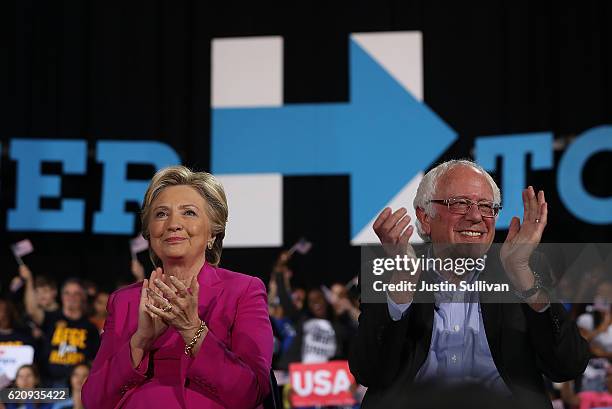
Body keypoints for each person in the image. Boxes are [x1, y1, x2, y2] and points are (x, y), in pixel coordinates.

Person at [349, 159, 589, 409]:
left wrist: (522, 277)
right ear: (425, 216)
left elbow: (567, 365)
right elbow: (370, 371)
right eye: (460, 204)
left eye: (486, 206)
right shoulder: (389, 270)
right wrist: (403, 285)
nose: (476, 216)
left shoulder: (522, 267)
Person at [81, 165, 273, 409]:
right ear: (149, 231)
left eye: (189, 213)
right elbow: (94, 401)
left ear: (213, 231)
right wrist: (139, 341)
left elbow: (251, 394)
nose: (173, 224)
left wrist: (193, 330)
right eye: (161, 214)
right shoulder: (124, 301)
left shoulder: (243, 291)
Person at [23, 276, 99, 387]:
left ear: (83, 297)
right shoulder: (51, 318)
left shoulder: (90, 327)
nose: (71, 297)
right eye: (67, 293)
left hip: (77, 386)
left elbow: (94, 360)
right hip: (49, 384)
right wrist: (28, 281)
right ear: (62, 296)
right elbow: (32, 309)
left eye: (76, 293)